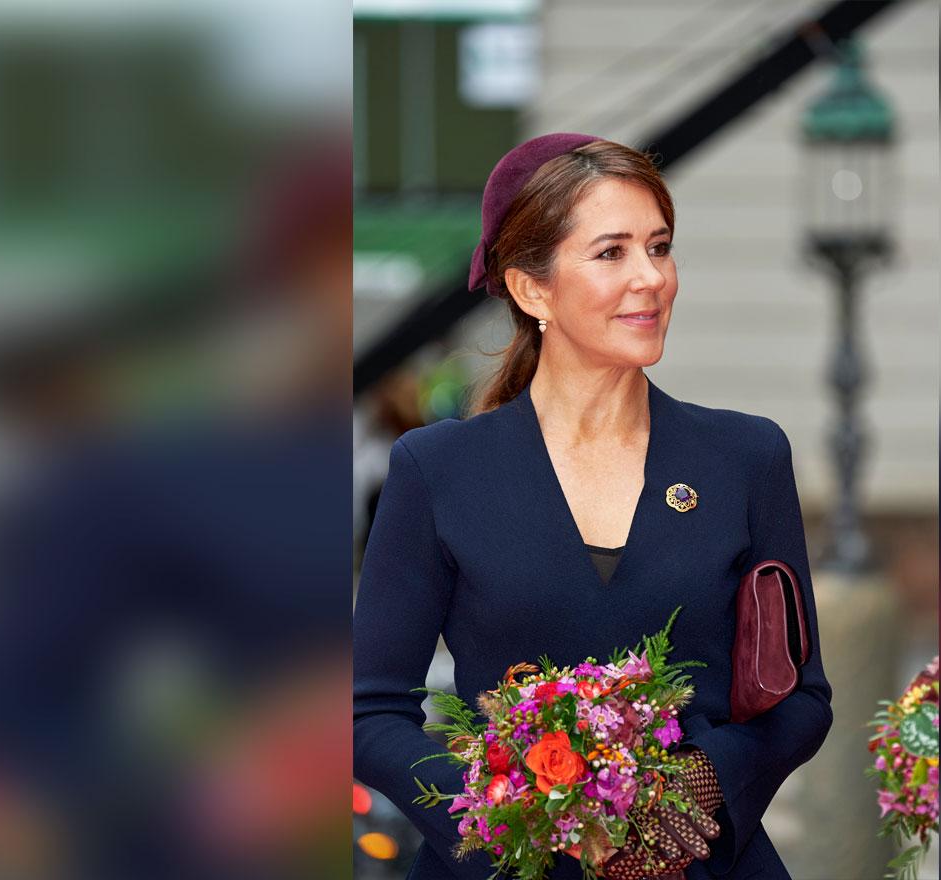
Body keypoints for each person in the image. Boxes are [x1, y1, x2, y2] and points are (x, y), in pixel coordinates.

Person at [352, 133, 833, 880]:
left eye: (660, 247)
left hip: (700, 860)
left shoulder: (747, 457)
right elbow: (368, 712)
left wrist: (704, 783)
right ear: (531, 289)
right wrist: (513, 814)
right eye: (611, 253)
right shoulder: (436, 470)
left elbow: (802, 697)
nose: (652, 278)